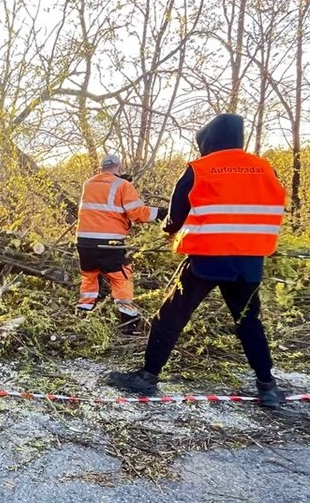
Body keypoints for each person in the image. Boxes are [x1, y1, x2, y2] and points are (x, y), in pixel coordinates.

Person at [107, 113, 286, 407]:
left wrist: (168, 231)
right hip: (248, 262)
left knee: (170, 316)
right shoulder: (265, 169)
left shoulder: (199, 169)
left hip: (206, 260)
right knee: (249, 322)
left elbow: (174, 218)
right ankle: (268, 387)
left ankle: (148, 376)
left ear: (208, 140)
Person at [76, 154, 166, 321]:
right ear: (119, 166)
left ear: (101, 168)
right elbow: (137, 214)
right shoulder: (122, 185)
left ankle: (82, 314)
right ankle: (128, 319)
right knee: (121, 277)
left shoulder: (88, 184)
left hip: (84, 242)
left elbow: (103, 199)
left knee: (89, 277)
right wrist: (161, 213)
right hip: (108, 243)